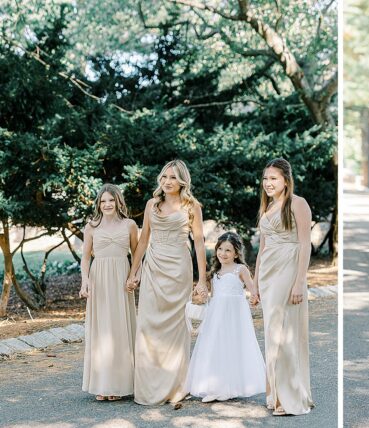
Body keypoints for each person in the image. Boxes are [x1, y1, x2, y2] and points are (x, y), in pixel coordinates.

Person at [128, 160, 207, 406]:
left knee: (175, 326)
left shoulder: (192, 206)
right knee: (148, 324)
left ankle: (175, 385)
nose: (168, 181)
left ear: (182, 180)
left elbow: (199, 243)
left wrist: (201, 279)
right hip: (154, 266)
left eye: (173, 177)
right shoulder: (152, 204)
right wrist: (134, 272)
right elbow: (142, 241)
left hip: (179, 269)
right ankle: (149, 386)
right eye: (164, 177)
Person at [254, 158, 315, 416]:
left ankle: (288, 398)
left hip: (288, 268)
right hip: (268, 271)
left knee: (282, 331)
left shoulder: (298, 204)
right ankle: (275, 393)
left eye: (274, 178)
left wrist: (300, 281)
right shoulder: (267, 207)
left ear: (286, 180)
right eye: (266, 179)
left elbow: (305, 244)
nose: (268, 183)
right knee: (271, 331)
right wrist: (255, 284)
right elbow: (262, 248)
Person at [185, 232, 266, 402]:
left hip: (235, 315)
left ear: (236, 253)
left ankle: (231, 387)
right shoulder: (215, 272)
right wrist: (201, 298)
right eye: (220, 249)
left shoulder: (240, 269)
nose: (223, 253)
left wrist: (254, 297)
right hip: (217, 315)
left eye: (228, 250)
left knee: (233, 346)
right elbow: (213, 297)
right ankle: (215, 386)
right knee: (216, 346)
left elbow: (253, 290)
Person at [80, 184, 138, 402]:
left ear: (118, 202)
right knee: (102, 330)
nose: (107, 205)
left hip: (121, 280)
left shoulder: (130, 225)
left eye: (111, 200)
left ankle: (120, 384)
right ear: (98, 204)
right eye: (103, 201)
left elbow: (137, 255)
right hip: (99, 280)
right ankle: (102, 384)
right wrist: (85, 281)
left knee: (120, 329)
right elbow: (86, 258)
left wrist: (134, 276)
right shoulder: (91, 226)